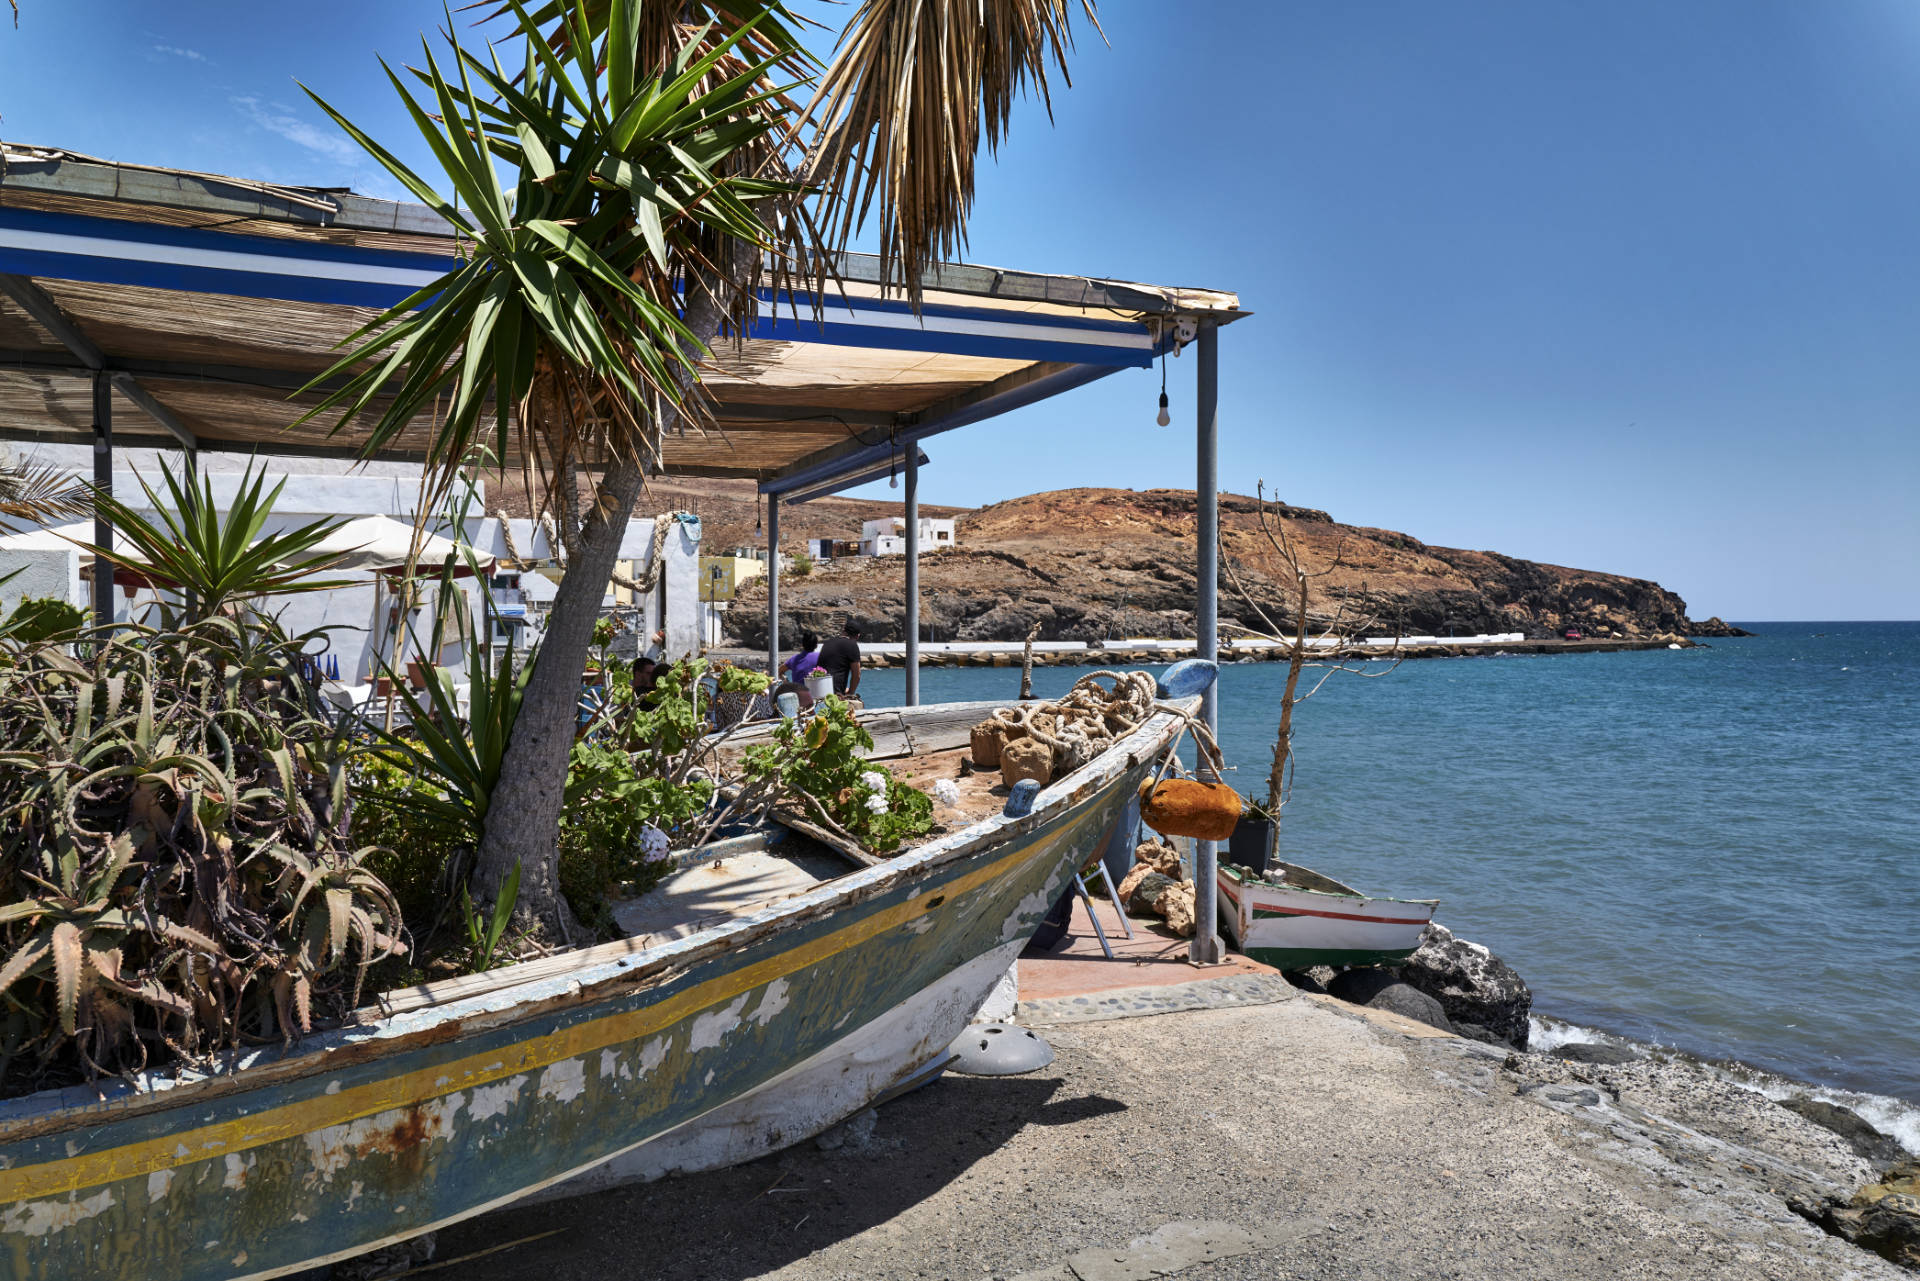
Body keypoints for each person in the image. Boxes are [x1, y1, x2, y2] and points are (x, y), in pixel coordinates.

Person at [817, 620, 862, 697]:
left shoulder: (827, 643)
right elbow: (857, 675)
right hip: (835, 695)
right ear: (858, 636)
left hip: (818, 691)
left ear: (843, 630)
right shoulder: (852, 645)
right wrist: (850, 692)